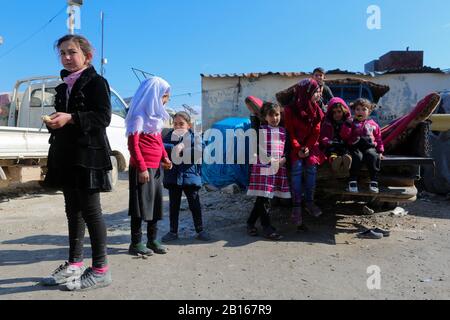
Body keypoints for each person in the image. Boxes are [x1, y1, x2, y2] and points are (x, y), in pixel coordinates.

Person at [41, 34, 112, 291]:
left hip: (89, 156)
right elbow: (66, 120)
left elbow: (103, 118)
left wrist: (71, 118)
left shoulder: (97, 82)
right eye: (62, 53)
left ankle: (101, 269)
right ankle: (74, 264)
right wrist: (54, 122)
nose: (67, 57)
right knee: (73, 210)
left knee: (92, 211)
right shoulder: (62, 88)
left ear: (87, 56)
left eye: (72, 52)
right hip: (66, 156)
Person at [126, 77, 173, 256]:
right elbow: (133, 145)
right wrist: (142, 168)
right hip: (142, 169)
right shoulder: (138, 117)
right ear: (153, 96)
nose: (166, 101)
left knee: (155, 205)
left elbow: (158, 141)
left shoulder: (155, 119)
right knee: (139, 206)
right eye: (164, 97)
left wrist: (165, 158)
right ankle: (136, 243)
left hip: (155, 168)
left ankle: (152, 240)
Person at [161, 111, 210, 242]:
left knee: (194, 205)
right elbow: (160, 147)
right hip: (173, 177)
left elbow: (200, 149)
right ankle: (173, 232)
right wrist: (174, 147)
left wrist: (183, 147)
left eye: (181, 124)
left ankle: (200, 230)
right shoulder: (167, 136)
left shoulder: (195, 137)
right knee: (173, 206)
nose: (178, 126)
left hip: (190, 177)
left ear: (188, 125)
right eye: (175, 124)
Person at [284, 79, 325, 229]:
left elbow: (316, 132)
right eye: (315, 92)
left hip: (311, 146)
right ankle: (296, 205)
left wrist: (307, 147)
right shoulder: (290, 110)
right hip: (295, 146)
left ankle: (309, 202)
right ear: (306, 93)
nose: (317, 95)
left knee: (312, 169)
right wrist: (298, 148)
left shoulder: (316, 110)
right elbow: (290, 132)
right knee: (296, 168)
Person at [246, 102, 291, 240]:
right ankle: (267, 228)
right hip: (263, 167)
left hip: (277, 167)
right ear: (265, 117)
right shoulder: (261, 130)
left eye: (276, 115)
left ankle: (250, 223)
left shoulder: (284, 131)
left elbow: (287, 149)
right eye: (270, 115)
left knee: (262, 198)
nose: (274, 118)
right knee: (264, 198)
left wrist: (284, 159)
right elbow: (258, 148)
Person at [340, 98, 384, 193]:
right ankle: (352, 181)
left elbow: (378, 139)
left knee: (373, 156)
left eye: (364, 109)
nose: (360, 111)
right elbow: (344, 136)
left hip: (369, 147)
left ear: (369, 111)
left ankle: (374, 181)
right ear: (354, 111)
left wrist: (380, 151)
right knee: (357, 157)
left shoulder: (373, 124)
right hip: (355, 147)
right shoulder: (351, 123)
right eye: (358, 109)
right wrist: (347, 125)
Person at [319, 97, 352, 174]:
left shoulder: (348, 122)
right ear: (330, 114)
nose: (337, 114)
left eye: (339, 111)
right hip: (332, 144)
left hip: (344, 144)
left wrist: (346, 127)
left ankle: (348, 160)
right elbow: (323, 135)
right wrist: (326, 141)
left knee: (347, 151)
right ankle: (334, 161)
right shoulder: (327, 123)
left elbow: (349, 136)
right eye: (334, 113)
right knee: (332, 152)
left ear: (343, 111)